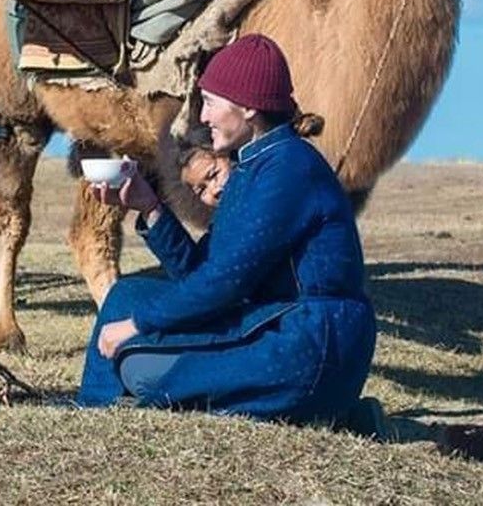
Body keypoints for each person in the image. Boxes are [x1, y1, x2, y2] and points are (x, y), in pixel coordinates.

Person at [76, 34, 379, 427]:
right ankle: (93, 410)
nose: (202, 117)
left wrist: (137, 326)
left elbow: (223, 283)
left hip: (310, 344)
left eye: (210, 103)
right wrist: (149, 207)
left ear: (248, 107)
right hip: (277, 326)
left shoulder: (287, 170)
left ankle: (333, 411)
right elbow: (201, 274)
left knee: (143, 366)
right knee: (126, 295)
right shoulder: (255, 168)